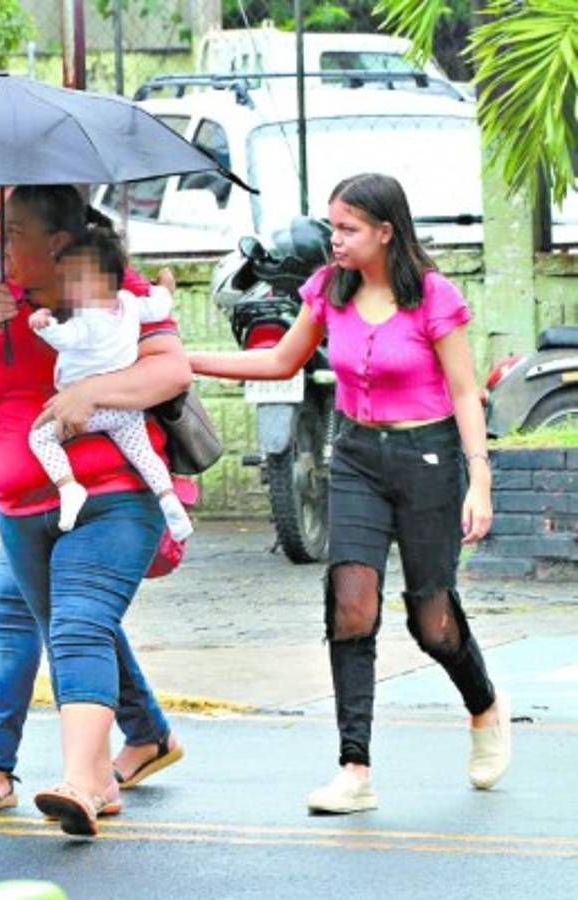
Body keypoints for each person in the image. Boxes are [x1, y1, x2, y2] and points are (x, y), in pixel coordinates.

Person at [189, 172, 511, 814]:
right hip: (358, 455)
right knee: (350, 604)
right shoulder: (328, 290)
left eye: (348, 229)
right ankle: (354, 768)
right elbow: (280, 361)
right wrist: (185, 359)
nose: (334, 239)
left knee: (433, 621)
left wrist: (480, 479)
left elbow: (463, 393)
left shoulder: (433, 298)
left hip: (427, 457)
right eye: (332, 226)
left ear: (386, 232)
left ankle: (484, 707)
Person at [0, 184, 189, 835]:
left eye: (13, 228)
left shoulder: (107, 280)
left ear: (57, 241)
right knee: (71, 625)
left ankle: (81, 781)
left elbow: (170, 371)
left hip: (112, 496)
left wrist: (93, 392)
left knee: (75, 625)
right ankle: (125, 752)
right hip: (19, 505)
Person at [28, 229, 193, 540]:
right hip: (127, 407)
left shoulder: (87, 319)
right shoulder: (129, 302)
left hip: (91, 409)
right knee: (143, 455)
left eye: (76, 279)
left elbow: (66, 337)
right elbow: (157, 308)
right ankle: (170, 501)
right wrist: (166, 288)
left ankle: (68, 487)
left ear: (104, 280)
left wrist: (44, 325)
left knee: (40, 438)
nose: (68, 286)